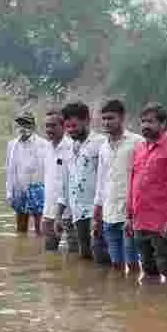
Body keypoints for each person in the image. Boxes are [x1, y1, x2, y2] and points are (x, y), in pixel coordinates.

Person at [126, 103, 167, 282]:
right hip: (140, 222)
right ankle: (150, 308)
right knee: (148, 271)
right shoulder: (140, 149)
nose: (145, 126)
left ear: (163, 124)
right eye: (143, 122)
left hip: (162, 224)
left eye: (150, 122)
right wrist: (130, 217)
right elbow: (133, 183)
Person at [93, 99, 145, 271]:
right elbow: (101, 180)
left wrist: (137, 211)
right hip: (109, 212)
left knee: (132, 261)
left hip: (129, 213)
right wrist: (97, 212)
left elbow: (143, 177)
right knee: (116, 263)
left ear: (122, 118)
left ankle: (132, 295)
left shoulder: (138, 142)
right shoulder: (103, 148)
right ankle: (119, 295)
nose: (107, 122)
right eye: (104, 119)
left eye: (111, 118)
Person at [56, 101, 109, 261]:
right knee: (84, 256)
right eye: (68, 127)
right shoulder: (67, 148)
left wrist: (101, 212)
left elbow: (107, 179)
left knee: (101, 257)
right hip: (77, 211)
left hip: (98, 210)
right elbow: (65, 183)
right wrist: (59, 214)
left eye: (74, 125)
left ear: (87, 120)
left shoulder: (101, 143)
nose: (71, 130)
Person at [40, 109, 76, 252]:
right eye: (47, 126)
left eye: (53, 125)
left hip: (69, 213)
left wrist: (60, 215)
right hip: (49, 212)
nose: (49, 129)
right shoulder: (46, 147)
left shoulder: (72, 147)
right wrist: (45, 213)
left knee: (74, 255)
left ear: (63, 126)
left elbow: (69, 183)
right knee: (49, 254)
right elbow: (49, 181)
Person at [5, 111, 46, 234]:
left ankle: (39, 250)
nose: (23, 128)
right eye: (20, 124)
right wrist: (9, 192)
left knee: (40, 229)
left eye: (26, 124)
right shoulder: (12, 145)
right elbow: (9, 170)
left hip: (38, 188)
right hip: (19, 188)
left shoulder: (43, 144)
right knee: (21, 228)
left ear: (33, 126)